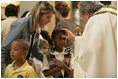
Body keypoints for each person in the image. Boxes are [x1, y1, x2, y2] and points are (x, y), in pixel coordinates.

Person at [61, 1, 117, 78]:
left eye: (81, 17)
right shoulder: (115, 16)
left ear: (87, 13)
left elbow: (87, 51)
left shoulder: (94, 20)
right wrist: (75, 39)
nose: (83, 21)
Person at [1, 1, 55, 77]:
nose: (49, 21)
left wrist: (51, 61)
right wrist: (1, 74)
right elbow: (3, 49)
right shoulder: (21, 25)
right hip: (10, 68)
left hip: (21, 67)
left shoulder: (37, 28)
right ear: (39, 15)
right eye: (48, 17)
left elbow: (35, 50)